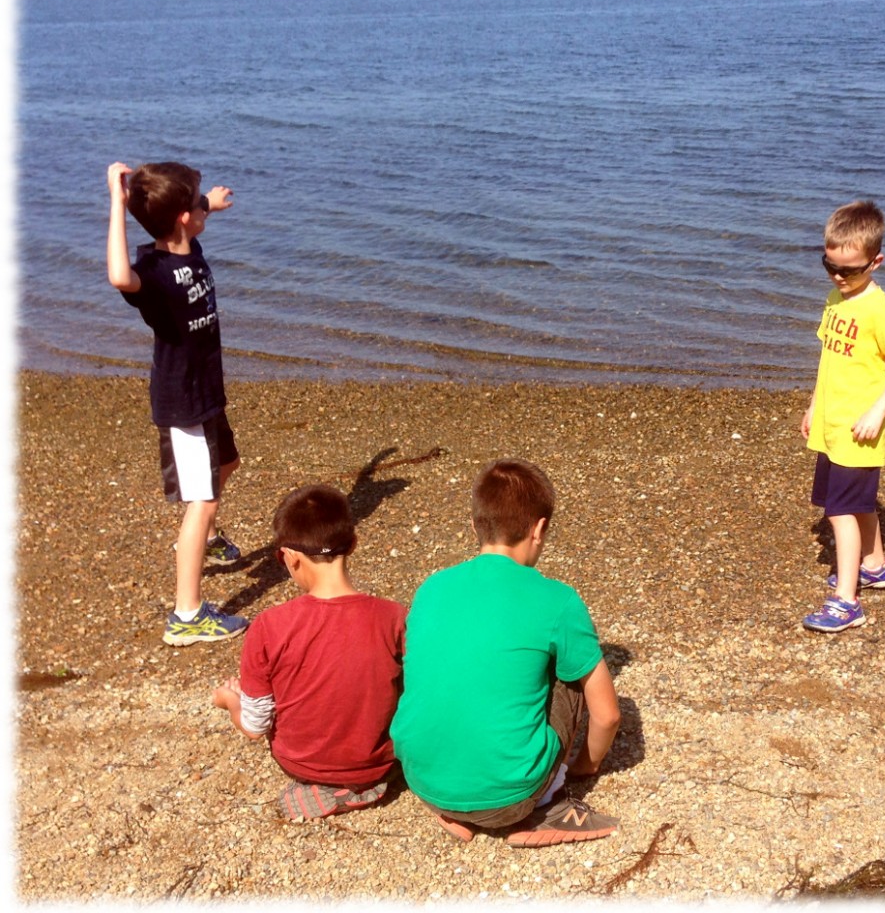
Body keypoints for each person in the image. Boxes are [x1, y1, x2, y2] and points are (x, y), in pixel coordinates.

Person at [390, 457, 622, 847]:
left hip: (424, 783)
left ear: (475, 526)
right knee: (573, 668)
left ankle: (456, 812)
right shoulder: (557, 599)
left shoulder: (431, 588)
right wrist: (585, 766)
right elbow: (608, 714)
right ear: (540, 529)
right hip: (510, 797)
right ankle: (547, 805)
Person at [106, 160, 247, 646]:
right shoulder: (155, 272)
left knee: (228, 462)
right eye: (198, 201)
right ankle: (186, 615)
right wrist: (116, 202)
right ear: (182, 218)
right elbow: (118, 276)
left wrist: (213, 203)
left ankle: (204, 540)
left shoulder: (187, 238)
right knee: (202, 501)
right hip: (183, 401)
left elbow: (195, 210)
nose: (203, 203)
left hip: (207, 389)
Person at [212, 484, 407, 819]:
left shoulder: (270, 626)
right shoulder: (394, 616)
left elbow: (255, 726)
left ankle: (324, 785)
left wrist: (231, 702)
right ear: (354, 543)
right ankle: (363, 782)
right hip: (378, 761)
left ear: (289, 557)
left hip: (302, 762)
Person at [800, 200, 885, 633]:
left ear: (876, 262)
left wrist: (877, 411)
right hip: (832, 425)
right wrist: (814, 404)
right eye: (830, 265)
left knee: (839, 511)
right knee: (857, 504)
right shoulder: (837, 297)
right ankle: (875, 566)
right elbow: (828, 358)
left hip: (858, 431)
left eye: (850, 270)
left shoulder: (877, 311)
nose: (838, 276)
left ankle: (847, 601)